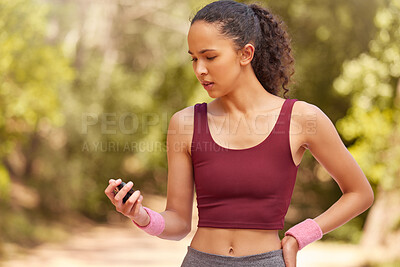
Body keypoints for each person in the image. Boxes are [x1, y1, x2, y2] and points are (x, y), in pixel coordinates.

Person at [104, 1, 374, 266]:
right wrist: (142, 216)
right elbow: (178, 223)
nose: (200, 69)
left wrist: (298, 236)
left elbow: (360, 193)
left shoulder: (302, 118)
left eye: (210, 57)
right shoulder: (184, 124)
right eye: (194, 58)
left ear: (246, 54)